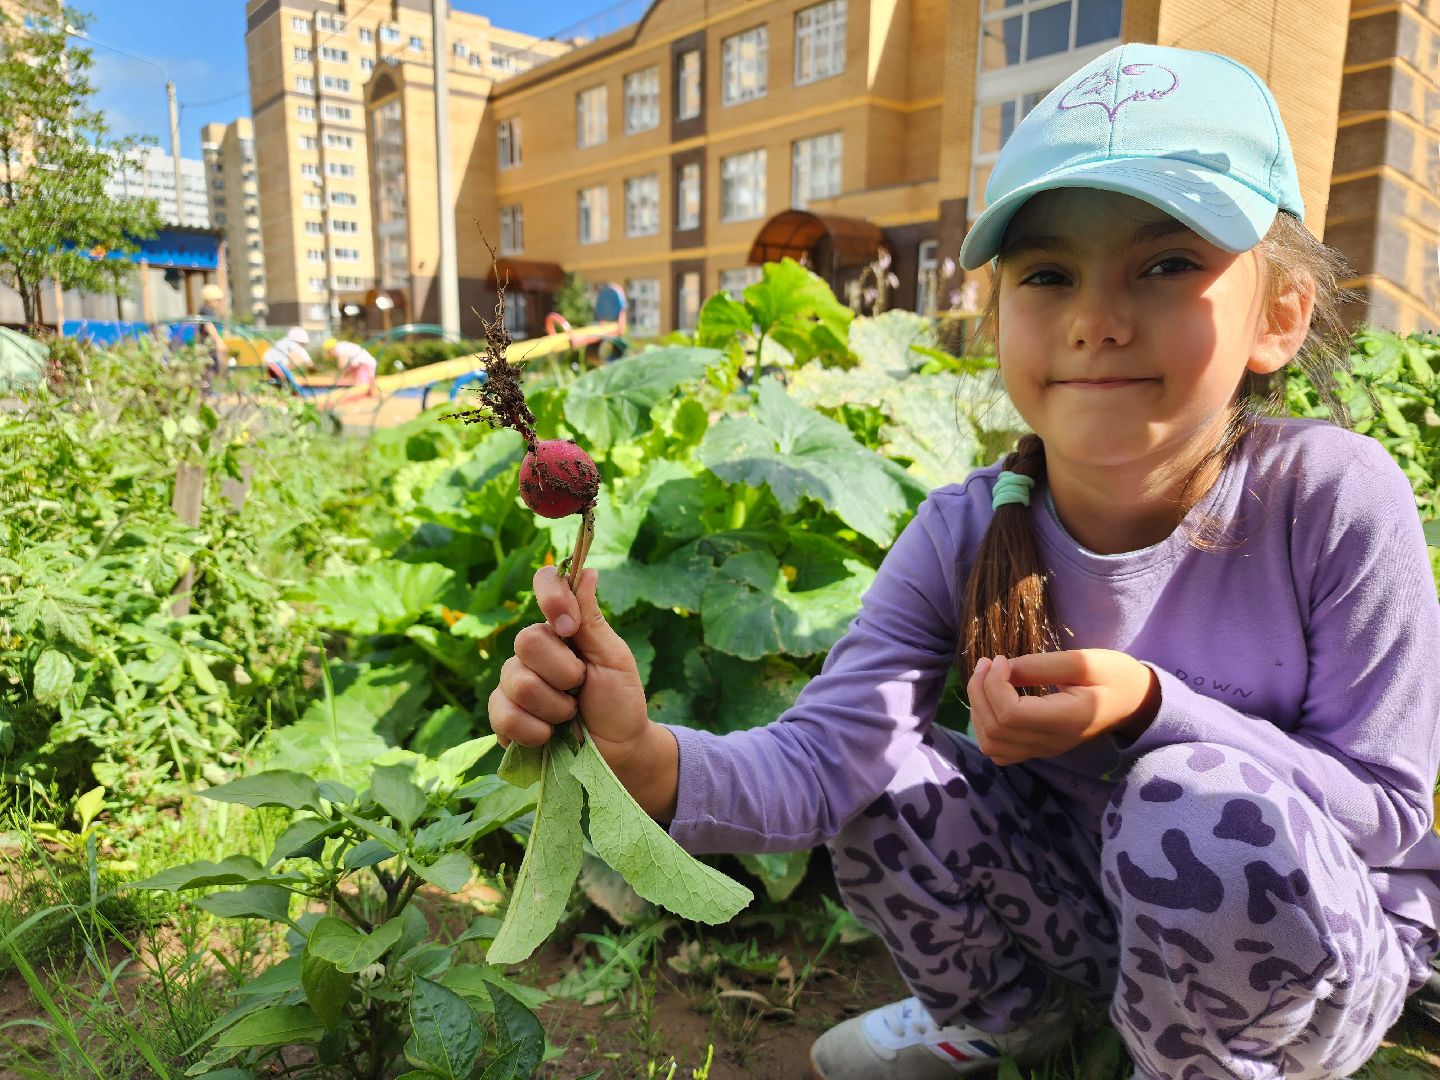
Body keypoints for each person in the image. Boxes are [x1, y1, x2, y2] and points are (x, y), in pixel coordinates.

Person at [488, 43, 1440, 1080]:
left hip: (1315, 967)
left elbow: (1389, 810)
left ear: (1281, 314)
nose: (1097, 320)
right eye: (1047, 273)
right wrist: (640, 754)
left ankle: (1209, 1066)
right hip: (1098, 922)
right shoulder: (969, 526)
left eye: (1168, 263)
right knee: (884, 775)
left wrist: (1153, 705)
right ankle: (1021, 1025)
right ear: (996, 318)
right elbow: (824, 765)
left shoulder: (1334, 499)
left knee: (1194, 799)